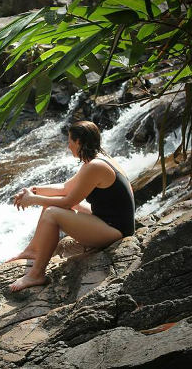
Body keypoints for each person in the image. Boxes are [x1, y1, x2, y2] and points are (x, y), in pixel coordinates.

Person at [7, 120, 135, 292]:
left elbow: (66, 202)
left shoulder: (95, 166)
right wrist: (35, 191)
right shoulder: (97, 160)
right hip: (105, 219)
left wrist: (33, 200)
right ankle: (33, 250)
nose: (68, 146)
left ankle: (36, 274)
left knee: (52, 212)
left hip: (115, 230)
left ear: (79, 142)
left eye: (70, 141)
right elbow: (66, 189)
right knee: (50, 206)